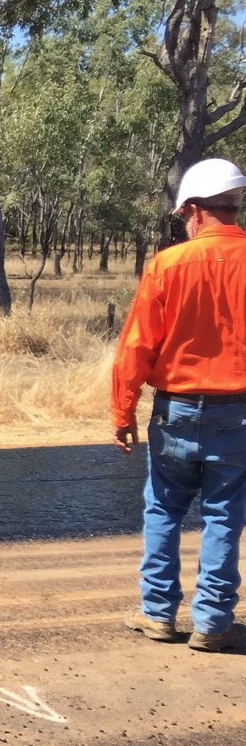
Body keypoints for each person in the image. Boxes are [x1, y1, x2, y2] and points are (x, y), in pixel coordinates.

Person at [114, 157, 246, 651]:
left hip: (175, 409)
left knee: (164, 510)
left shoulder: (167, 266)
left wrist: (122, 411)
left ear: (194, 210)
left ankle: (158, 615)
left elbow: (136, 347)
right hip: (238, 413)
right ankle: (213, 624)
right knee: (224, 514)